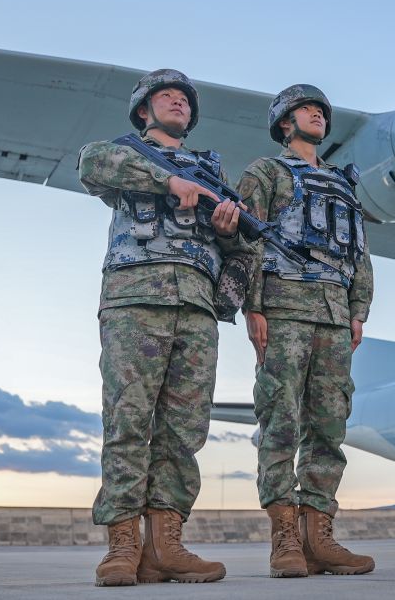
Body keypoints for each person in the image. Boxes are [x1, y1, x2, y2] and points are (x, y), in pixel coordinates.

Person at [79, 68, 246, 586]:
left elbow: (240, 248)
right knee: (128, 419)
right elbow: (91, 163)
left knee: (184, 431)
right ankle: (122, 547)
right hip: (135, 298)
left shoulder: (212, 174)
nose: (178, 102)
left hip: (196, 307)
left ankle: (165, 546)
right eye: (166, 96)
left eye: (184, 99)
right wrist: (168, 180)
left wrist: (228, 231)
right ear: (143, 110)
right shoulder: (126, 154)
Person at [236, 84, 375, 578]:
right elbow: (247, 240)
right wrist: (253, 306)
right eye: (305, 109)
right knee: (280, 421)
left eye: (320, 110)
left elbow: (359, 254)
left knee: (329, 426)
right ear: (284, 123)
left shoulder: (342, 184)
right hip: (284, 309)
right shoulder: (265, 172)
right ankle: (285, 538)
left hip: (334, 317)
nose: (316, 114)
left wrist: (358, 310)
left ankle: (320, 537)